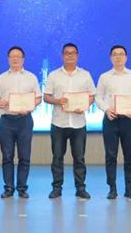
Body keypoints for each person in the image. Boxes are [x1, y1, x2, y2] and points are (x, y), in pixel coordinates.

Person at [43, 43, 95, 199]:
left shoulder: (85, 75)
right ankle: (56, 188)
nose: (70, 55)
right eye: (67, 53)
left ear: (77, 56)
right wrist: (58, 101)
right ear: (62, 56)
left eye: (73, 53)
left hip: (78, 123)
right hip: (59, 123)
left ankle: (80, 188)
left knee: (79, 158)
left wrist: (84, 105)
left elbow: (92, 96)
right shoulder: (54, 75)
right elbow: (46, 97)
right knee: (57, 158)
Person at [0, 46, 42, 198]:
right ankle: (8, 187)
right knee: (7, 156)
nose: (15, 59)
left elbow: (38, 98)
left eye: (18, 56)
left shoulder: (31, 77)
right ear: (8, 59)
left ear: (23, 59)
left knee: (24, 156)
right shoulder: (2, 77)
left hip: (24, 120)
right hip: (6, 120)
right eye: (12, 56)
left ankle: (22, 188)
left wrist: (30, 106)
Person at [95, 45, 131, 200]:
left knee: (129, 155)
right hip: (111, 119)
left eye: (121, 54)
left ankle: (129, 188)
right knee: (111, 155)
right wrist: (106, 109)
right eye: (115, 54)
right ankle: (112, 188)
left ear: (126, 57)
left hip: (129, 120)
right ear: (111, 57)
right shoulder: (105, 76)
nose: (118, 57)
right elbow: (98, 96)